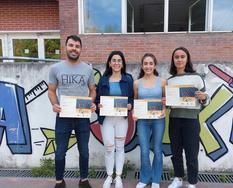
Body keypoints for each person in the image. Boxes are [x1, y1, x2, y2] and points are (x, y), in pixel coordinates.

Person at [48, 35, 96, 188]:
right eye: (71, 45)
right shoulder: (55, 68)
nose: (74, 48)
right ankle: (59, 181)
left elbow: (92, 91)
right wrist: (54, 104)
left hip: (82, 116)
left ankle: (83, 180)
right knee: (60, 151)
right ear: (66, 47)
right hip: (63, 116)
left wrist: (91, 102)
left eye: (77, 46)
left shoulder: (88, 69)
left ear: (81, 49)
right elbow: (51, 90)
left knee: (84, 151)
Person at [167, 47, 209, 188]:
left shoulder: (197, 77)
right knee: (176, 151)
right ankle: (178, 178)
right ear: (173, 60)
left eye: (182, 56)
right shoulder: (170, 81)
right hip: (174, 120)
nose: (179, 59)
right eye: (176, 57)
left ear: (187, 59)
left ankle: (192, 182)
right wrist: (164, 102)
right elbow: (169, 104)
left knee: (192, 153)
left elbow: (206, 100)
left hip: (191, 120)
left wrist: (204, 98)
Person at [95, 51, 133, 188]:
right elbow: (97, 99)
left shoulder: (128, 79)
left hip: (121, 119)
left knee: (120, 147)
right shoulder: (103, 80)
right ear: (109, 63)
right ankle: (109, 175)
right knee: (109, 148)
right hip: (107, 120)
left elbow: (133, 98)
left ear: (122, 63)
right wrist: (98, 105)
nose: (116, 63)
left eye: (119, 60)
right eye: (114, 60)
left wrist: (130, 105)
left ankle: (118, 177)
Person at [134, 53, 166, 188]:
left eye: (150, 63)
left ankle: (156, 180)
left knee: (158, 149)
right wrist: (134, 113)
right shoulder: (136, 83)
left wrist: (165, 109)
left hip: (158, 119)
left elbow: (165, 99)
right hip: (142, 120)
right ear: (142, 66)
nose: (148, 66)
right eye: (145, 63)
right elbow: (135, 100)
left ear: (154, 65)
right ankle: (145, 178)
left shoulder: (163, 81)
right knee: (144, 150)